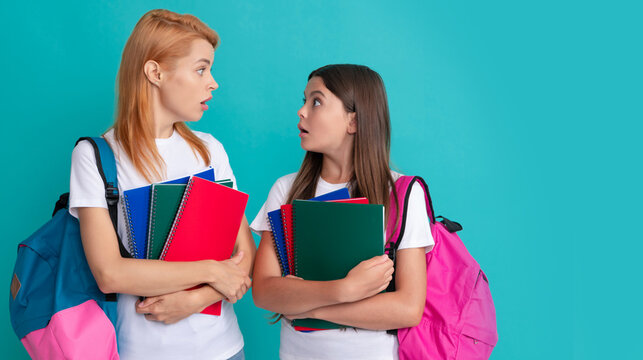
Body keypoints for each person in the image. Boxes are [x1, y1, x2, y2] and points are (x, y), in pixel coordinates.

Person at [69, 9, 253, 360]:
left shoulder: (210, 150)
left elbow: (244, 255)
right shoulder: (95, 156)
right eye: (201, 69)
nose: (213, 82)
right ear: (155, 72)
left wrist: (194, 300)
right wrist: (211, 271)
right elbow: (110, 273)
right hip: (141, 351)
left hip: (226, 349)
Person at [251, 64, 435, 359]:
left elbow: (407, 308)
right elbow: (264, 292)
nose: (302, 111)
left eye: (317, 101)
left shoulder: (402, 193)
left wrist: (305, 306)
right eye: (304, 100)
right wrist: (344, 289)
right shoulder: (285, 189)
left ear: (354, 121)